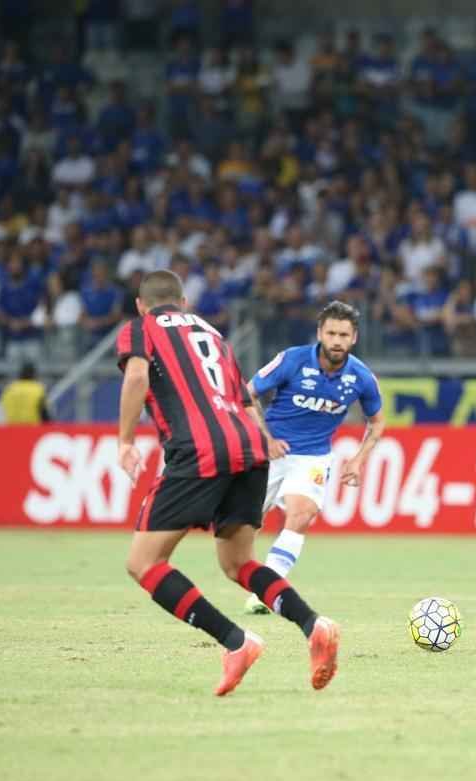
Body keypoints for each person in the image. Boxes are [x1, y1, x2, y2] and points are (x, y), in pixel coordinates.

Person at [115, 269, 339, 696]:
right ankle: (314, 625)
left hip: (199, 450)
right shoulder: (213, 334)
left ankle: (238, 642)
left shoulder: (140, 328)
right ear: (184, 303)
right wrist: (265, 442)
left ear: (141, 305)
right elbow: (242, 399)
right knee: (238, 563)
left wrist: (125, 441)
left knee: (143, 563)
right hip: (250, 445)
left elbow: (137, 377)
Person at [241, 301, 385, 614]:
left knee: (301, 514)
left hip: (313, 458)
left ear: (354, 338)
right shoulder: (292, 360)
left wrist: (358, 459)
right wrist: (266, 438)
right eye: (331, 332)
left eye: (343, 334)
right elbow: (247, 392)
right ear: (320, 332)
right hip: (271, 452)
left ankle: (267, 590)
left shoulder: (361, 376)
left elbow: (377, 422)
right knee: (243, 528)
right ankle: (253, 577)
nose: (337, 340)